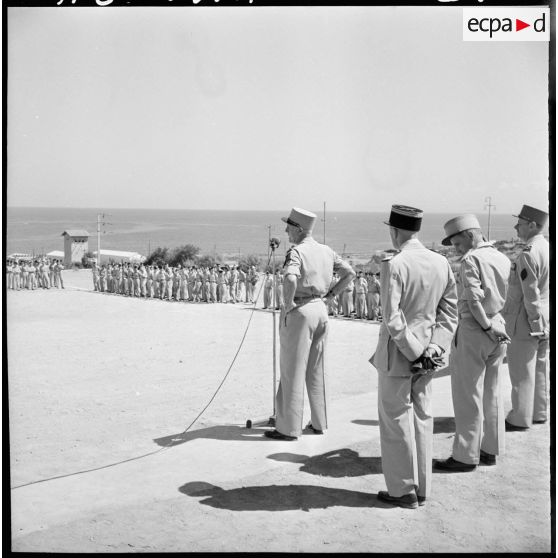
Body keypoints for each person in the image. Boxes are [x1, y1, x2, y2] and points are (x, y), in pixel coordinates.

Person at [371, 205, 458, 509]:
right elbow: (450, 314)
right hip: (430, 356)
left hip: (399, 355)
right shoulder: (441, 262)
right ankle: (423, 488)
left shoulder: (396, 263)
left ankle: (402, 490)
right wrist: (434, 348)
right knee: (423, 418)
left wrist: (415, 352)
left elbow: (392, 319)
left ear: (394, 231)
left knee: (395, 420)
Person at [264, 207, 355, 441]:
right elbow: (350, 273)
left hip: (301, 310)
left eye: (289, 227)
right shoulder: (326, 251)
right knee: (316, 370)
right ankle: (318, 422)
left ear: (299, 229)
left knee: (291, 369)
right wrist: (332, 295)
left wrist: (288, 303)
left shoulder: (297, 252)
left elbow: (291, 277)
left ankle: (288, 428)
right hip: (320, 309)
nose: (286, 231)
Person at [434, 214, 511, 472]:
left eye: (457, 244)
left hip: (476, 329)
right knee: (492, 393)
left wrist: (486, 327)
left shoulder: (471, 259)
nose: (457, 250)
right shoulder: (501, 257)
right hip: (498, 326)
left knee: (468, 395)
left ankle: (466, 456)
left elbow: (474, 300)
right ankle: (490, 449)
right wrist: (494, 326)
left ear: (470, 234)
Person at [503, 205, 550, 431]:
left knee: (522, 370)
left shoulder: (529, 253)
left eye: (520, 223)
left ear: (532, 225)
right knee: (540, 366)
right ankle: (539, 412)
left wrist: (535, 324)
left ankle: (520, 417)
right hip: (546, 316)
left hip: (527, 319)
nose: (516, 227)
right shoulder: (548, 247)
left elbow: (530, 294)